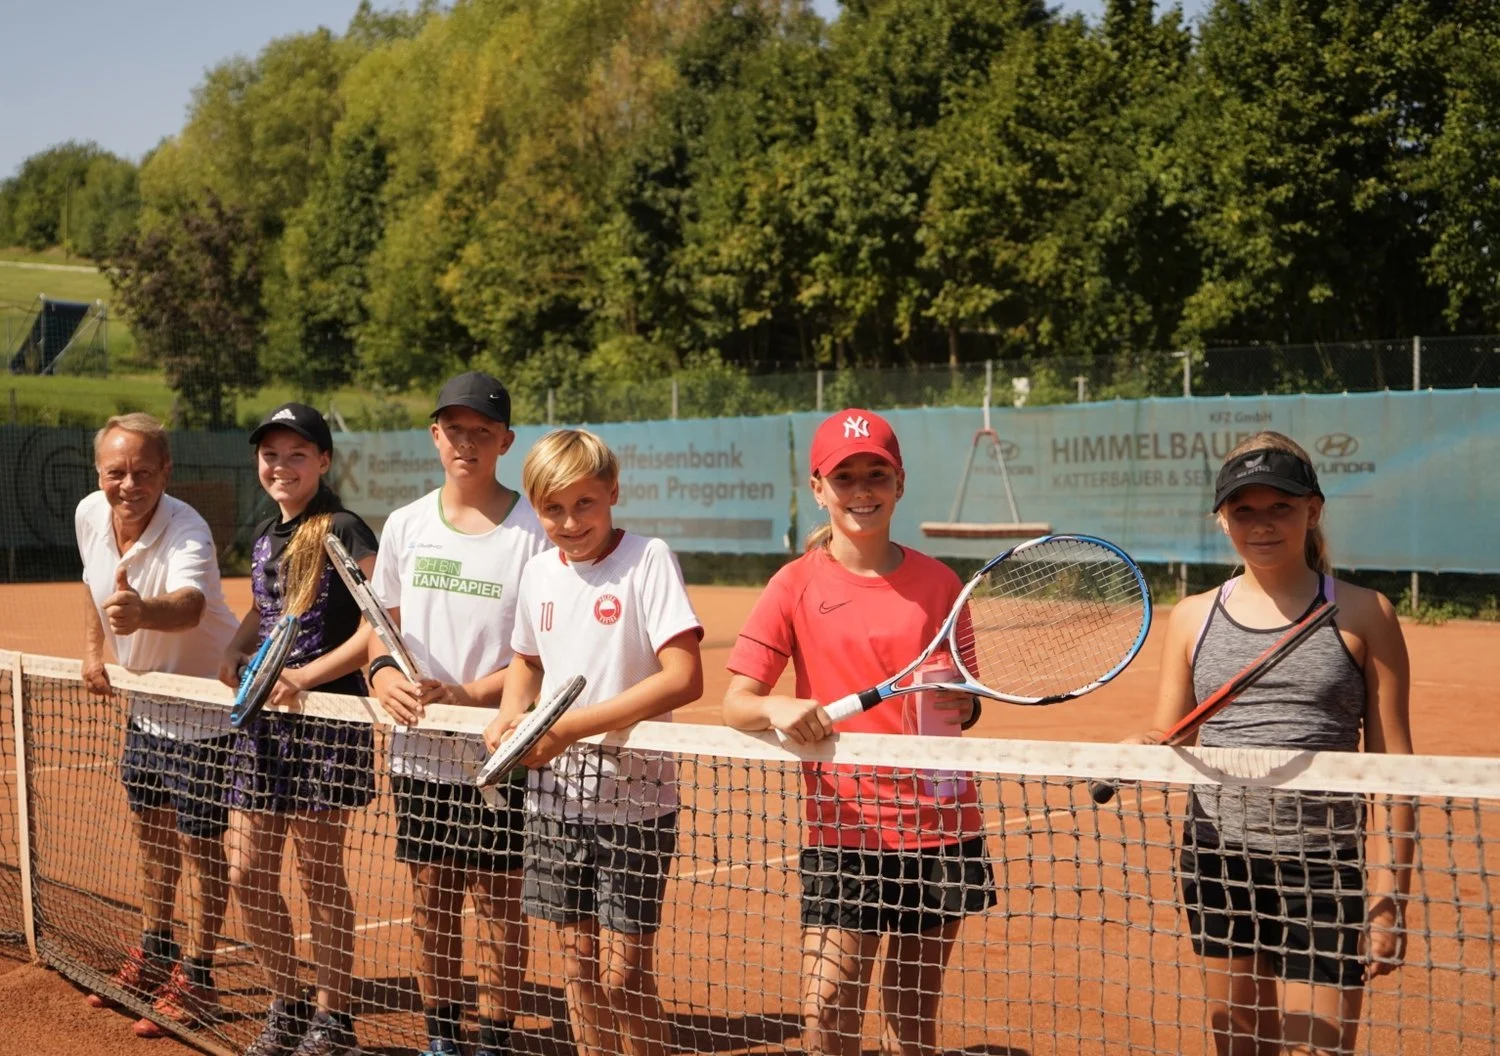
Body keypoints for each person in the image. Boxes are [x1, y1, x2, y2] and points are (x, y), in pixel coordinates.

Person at [1127, 431, 1413, 1056]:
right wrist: (1143, 746)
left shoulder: (1366, 613)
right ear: (1222, 519)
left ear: (1312, 510)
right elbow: (1174, 730)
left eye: (1280, 506)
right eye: (1244, 510)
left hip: (1322, 864)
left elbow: (1394, 768)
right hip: (1216, 857)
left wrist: (1390, 901)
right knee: (1240, 1046)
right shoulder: (1192, 615)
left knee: (1318, 1049)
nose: (1261, 524)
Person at [722, 408, 995, 1056]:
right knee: (826, 1009)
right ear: (819, 488)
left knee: (912, 1017)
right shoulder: (793, 584)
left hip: (941, 826)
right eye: (845, 477)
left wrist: (961, 703)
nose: (862, 490)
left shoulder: (942, 584)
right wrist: (778, 708)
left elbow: (967, 704)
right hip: (844, 830)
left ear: (900, 484)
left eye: (877, 474)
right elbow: (737, 703)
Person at [482, 428, 703, 1056]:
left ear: (612, 493)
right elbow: (527, 660)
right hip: (553, 804)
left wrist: (567, 729)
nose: (571, 521)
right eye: (553, 508)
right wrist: (509, 716)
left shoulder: (648, 559)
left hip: (637, 806)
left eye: (585, 503)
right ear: (535, 508)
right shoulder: (536, 573)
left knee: (624, 976)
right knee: (578, 967)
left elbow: (684, 678)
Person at [368, 372, 549, 1056]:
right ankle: (443, 1039)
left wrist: (468, 697)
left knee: (499, 901)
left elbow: (542, 656)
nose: (465, 443)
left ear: (505, 441)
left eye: (481, 431)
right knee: (431, 898)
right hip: (418, 755)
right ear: (434, 436)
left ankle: (496, 1039)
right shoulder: (405, 525)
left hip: (501, 752)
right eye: (453, 430)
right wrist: (384, 674)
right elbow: (379, 629)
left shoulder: (535, 532)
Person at [217, 402, 377, 1056]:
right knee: (246, 871)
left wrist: (304, 679)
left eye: (297, 454)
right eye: (271, 455)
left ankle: (334, 1020)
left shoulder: (344, 528)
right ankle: (287, 1004)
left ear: (324, 461)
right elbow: (267, 609)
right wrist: (236, 646)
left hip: (326, 723)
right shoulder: (265, 534)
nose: (281, 466)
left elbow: (375, 626)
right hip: (264, 726)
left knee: (319, 874)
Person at [75, 412, 241, 1038]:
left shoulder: (188, 528)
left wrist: (141, 611)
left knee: (200, 845)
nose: (129, 484)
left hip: (204, 710)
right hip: (148, 707)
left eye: (143, 472)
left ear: (165, 472)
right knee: (152, 837)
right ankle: (156, 950)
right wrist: (93, 650)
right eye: (116, 472)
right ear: (99, 472)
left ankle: (198, 977)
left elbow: (191, 605)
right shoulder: (89, 513)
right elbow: (91, 586)